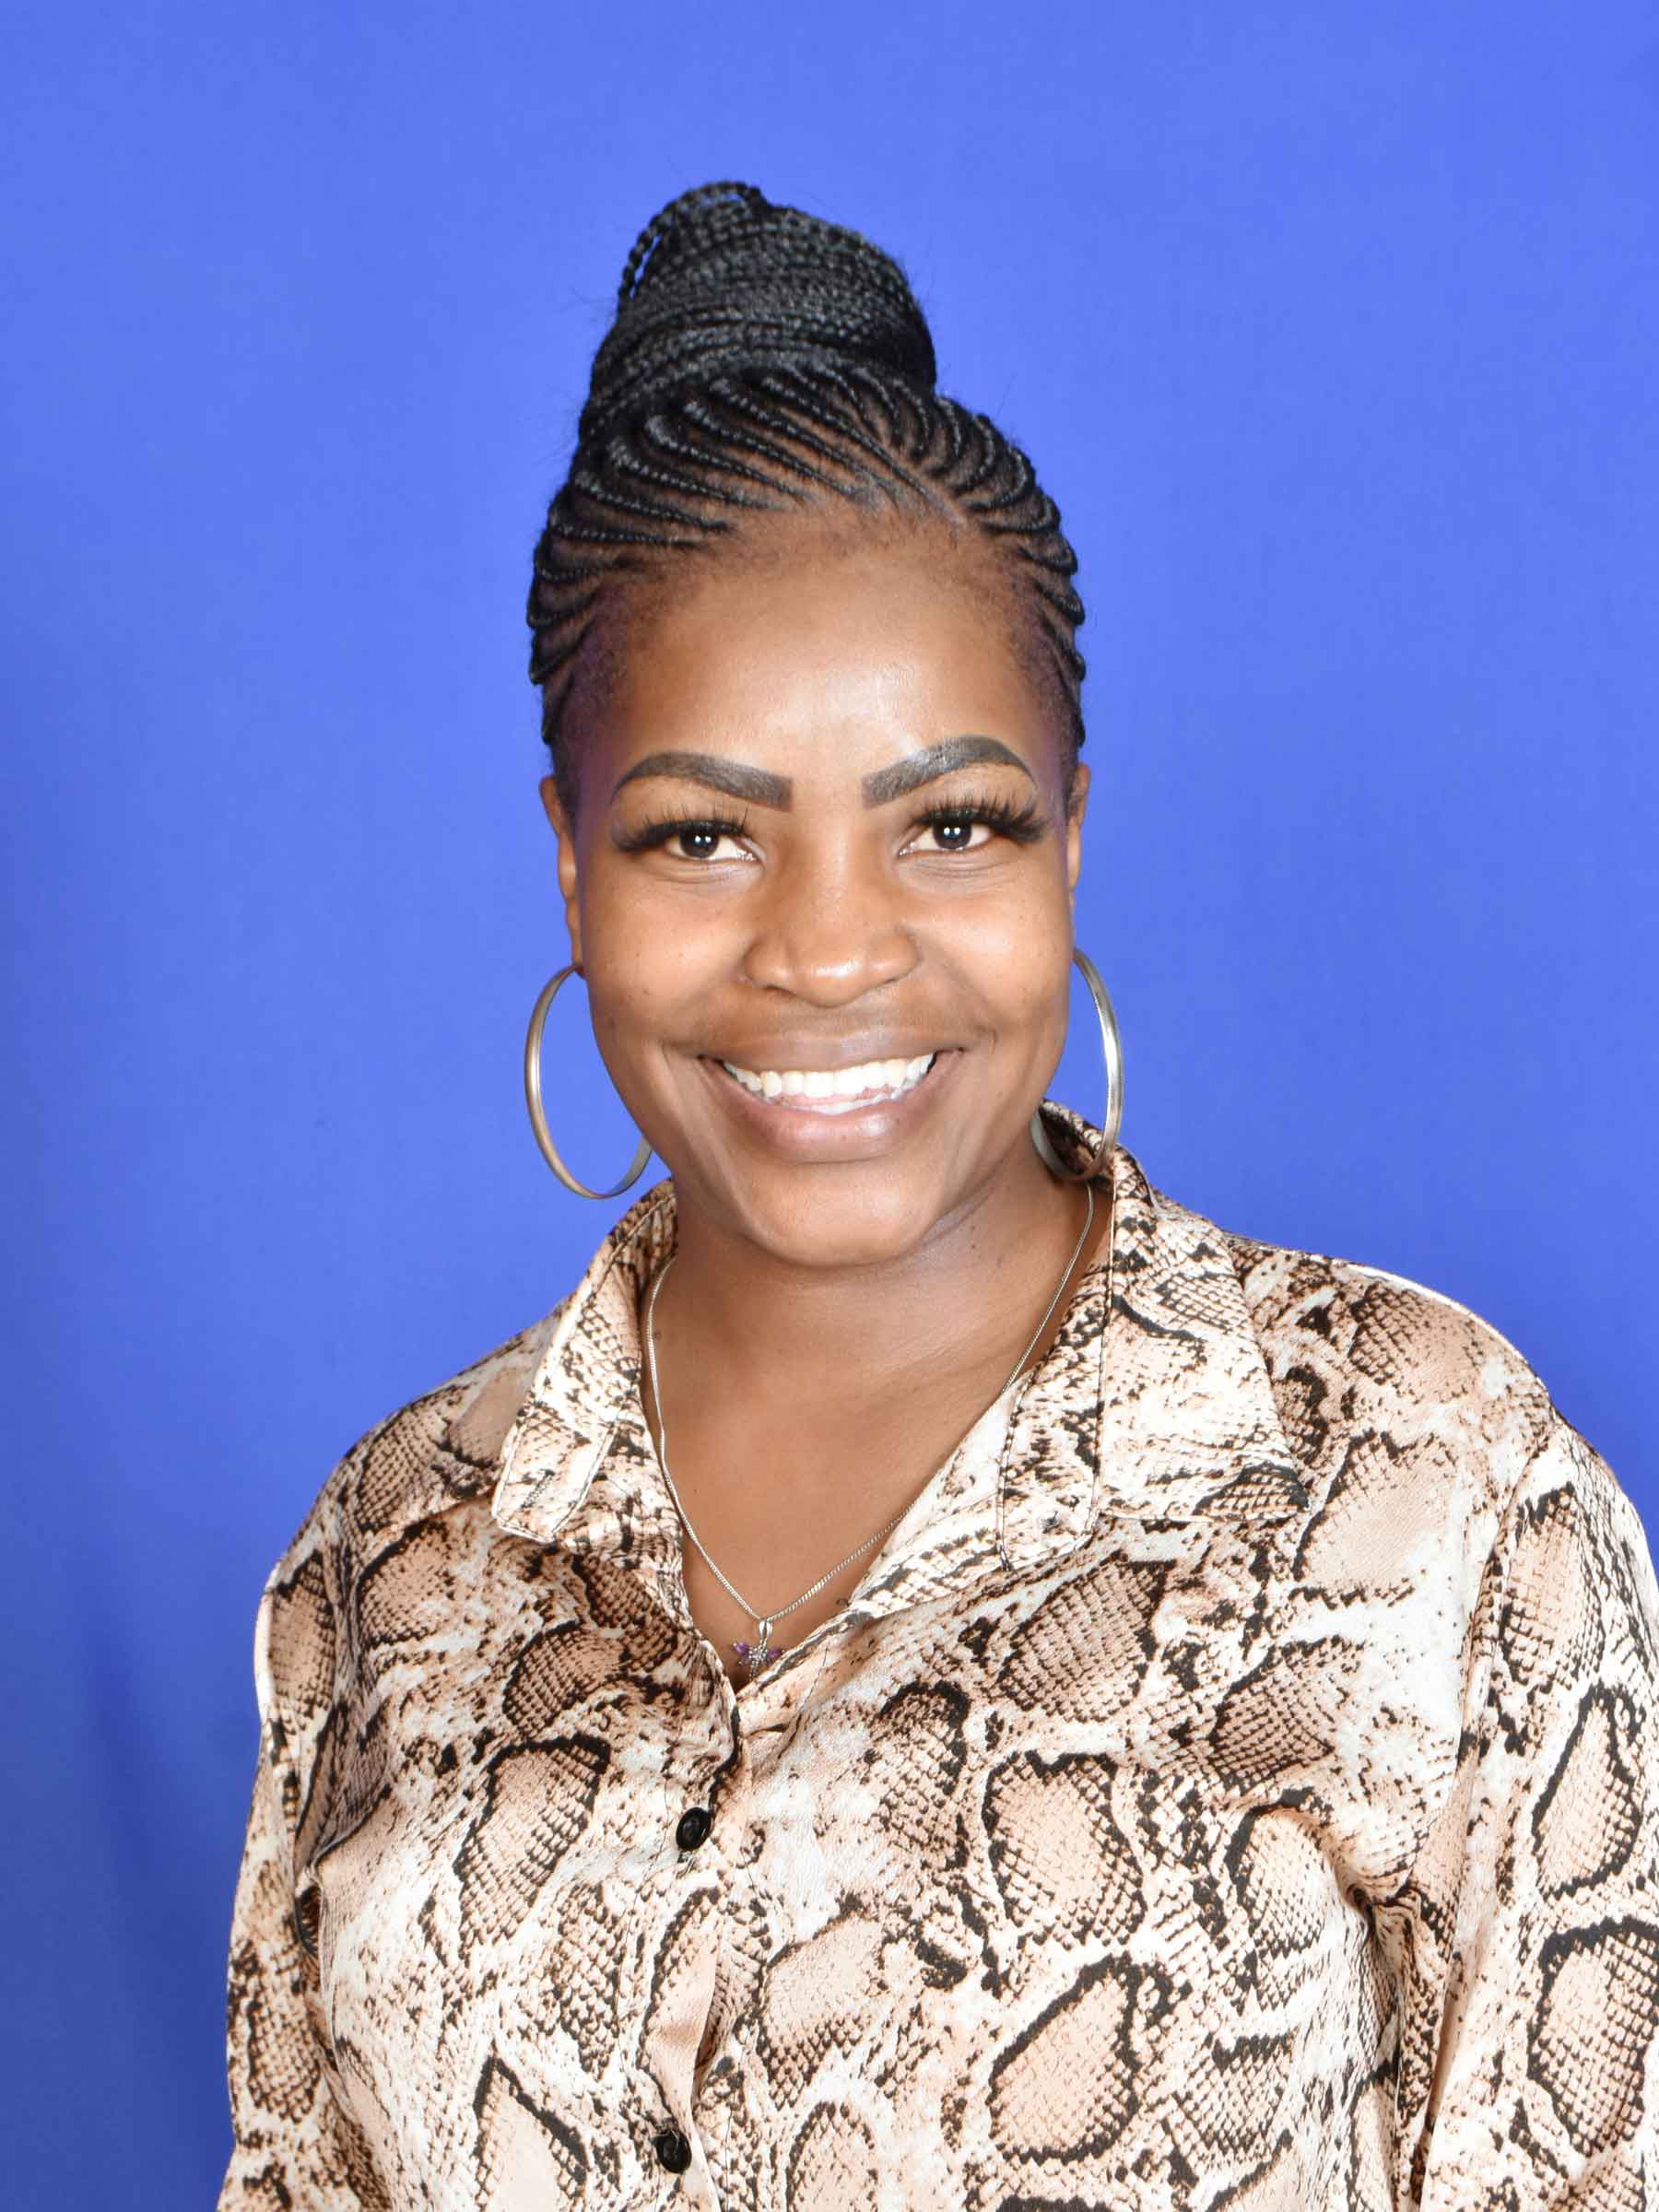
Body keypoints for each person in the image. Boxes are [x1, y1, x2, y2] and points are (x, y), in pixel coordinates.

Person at [216, 182, 1659, 2210]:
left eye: (954, 825)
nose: (829, 952)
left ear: (1071, 836)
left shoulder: (1426, 1490)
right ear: (569, 862)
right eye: (701, 836)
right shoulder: (396, 1556)